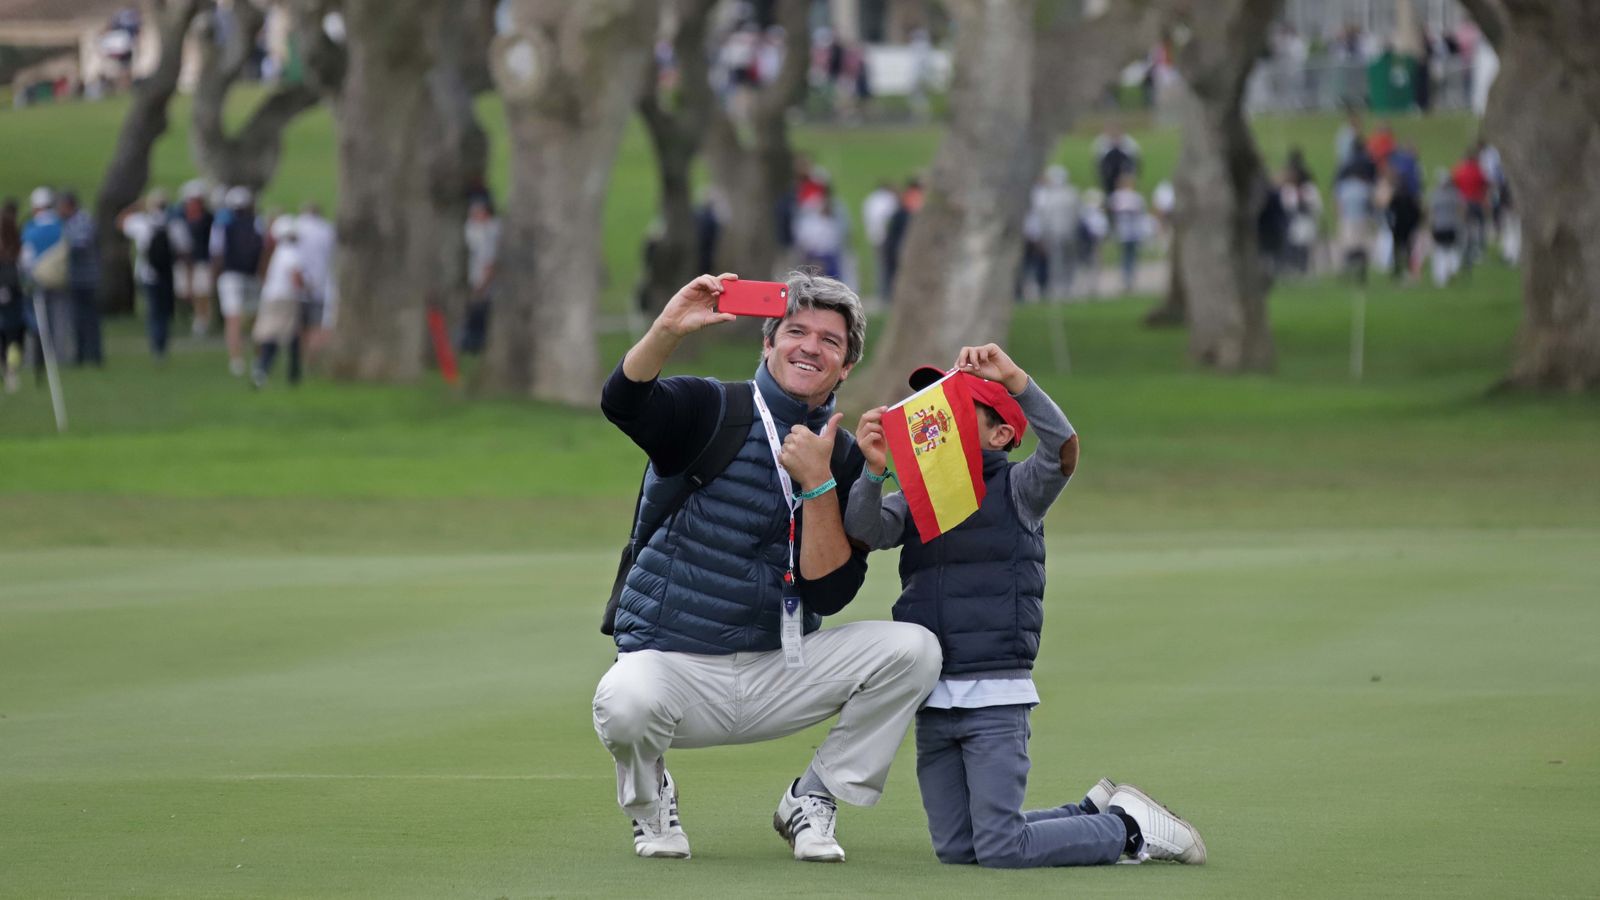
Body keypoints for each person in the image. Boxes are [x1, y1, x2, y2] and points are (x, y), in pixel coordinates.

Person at [593, 271, 942, 863]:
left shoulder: (850, 454)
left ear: (846, 366)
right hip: (677, 671)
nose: (810, 347)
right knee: (624, 696)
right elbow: (624, 403)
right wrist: (668, 328)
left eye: (830, 341)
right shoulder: (713, 409)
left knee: (914, 649)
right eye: (796, 332)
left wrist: (819, 483)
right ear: (768, 342)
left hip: (782, 667)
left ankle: (812, 798)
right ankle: (651, 801)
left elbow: (830, 592)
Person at [846, 344, 1206, 869]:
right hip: (933, 697)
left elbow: (1062, 449)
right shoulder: (920, 494)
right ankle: (1090, 811)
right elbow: (865, 530)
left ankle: (1129, 829)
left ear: (1001, 434)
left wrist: (1016, 380)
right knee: (958, 849)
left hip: (994, 694)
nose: (936, 414)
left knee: (1001, 849)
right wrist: (873, 472)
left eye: (955, 406)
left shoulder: (1018, 486)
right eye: (933, 403)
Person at [118, 189, 186, 358]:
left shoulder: (142, 223)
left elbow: (120, 222)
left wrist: (136, 205)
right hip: (168, 274)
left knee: (154, 310)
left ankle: (156, 344)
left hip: (147, 273)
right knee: (164, 310)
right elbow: (184, 248)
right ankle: (162, 343)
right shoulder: (174, 223)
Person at [211, 187, 265, 376]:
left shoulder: (222, 224)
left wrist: (215, 276)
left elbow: (216, 253)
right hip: (252, 275)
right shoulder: (257, 223)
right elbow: (263, 250)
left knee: (232, 320)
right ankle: (259, 359)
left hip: (230, 276)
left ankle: (236, 361)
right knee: (255, 320)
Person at [19, 187, 72, 365]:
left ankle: (37, 356)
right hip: (60, 279)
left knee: (38, 319)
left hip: (37, 278)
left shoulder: (31, 229)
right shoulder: (61, 226)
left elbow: (25, 257)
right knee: (59, 318)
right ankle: (59, 357)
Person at [251, 215, 304, 387]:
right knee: (289, 334)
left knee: (270, 334)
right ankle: (292, 372)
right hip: (285, 298)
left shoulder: (276, 252)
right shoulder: (291, 252)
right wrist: (306, 287)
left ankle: (263, 368)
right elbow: (295, 278)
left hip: (270, 296)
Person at [58, 191, 103, 366]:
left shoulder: (83, 220)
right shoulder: (67, 222)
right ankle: (80, 354)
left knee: (89, 318)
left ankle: (94, 354)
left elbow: (82, 243)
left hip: (87, 278)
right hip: (75, 277)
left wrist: (64, 244)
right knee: (76, 318)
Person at [294, 203, 335, 361]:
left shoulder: (297, 226)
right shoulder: (326, 229)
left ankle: (301, 356)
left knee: (300, 324)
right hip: (321, 283)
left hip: (299, 283)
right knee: (315, 324)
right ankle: (312, 358)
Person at [175, 181, 216, 335]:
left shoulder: (208, 219)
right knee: (186, 292)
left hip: (202, 260)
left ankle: (202, 320)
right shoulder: (181, 217)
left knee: (202, 291)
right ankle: (196, 316)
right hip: (185, 260)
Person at [460, 197, 498, 354]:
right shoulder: (474, 229)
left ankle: (473, 346)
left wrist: (482, 286)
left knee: (478, 314)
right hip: (476, 280)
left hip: (483, 284)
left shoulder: (489, 232)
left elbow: (489, 263)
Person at [0, 199, 25, 391]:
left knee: (10, 334)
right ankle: (9, 370)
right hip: (10, 294)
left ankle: (10, 370)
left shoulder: (11, 257)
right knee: (10, 334)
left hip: (9, 294)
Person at [1108, 174, 1147, 294]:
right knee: (1126, 256)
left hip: (1132, 231)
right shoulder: (1117, 197)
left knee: (1131, 256)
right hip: (1124, 231)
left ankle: (1130, 279)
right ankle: (1126, 279)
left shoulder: (1135, 197)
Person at [861, 180, 898, 301]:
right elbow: (890, 217)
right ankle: (886, 294)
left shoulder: (870, 199)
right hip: (885, 238)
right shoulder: (888, 199)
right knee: (888, 267)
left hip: (873, 236)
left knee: (879, 265)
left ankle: (881, 292)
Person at [1428, 168, 1465, 288]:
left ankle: (1441, 277)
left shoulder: (1435, 194)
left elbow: (1431, 212)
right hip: (1452, 226)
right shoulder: (1455, 194)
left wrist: (1430, 226)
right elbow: (1461, 209)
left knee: (1440, 252)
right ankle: (1450, 271)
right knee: (1450, 250)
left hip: (1439, 227)